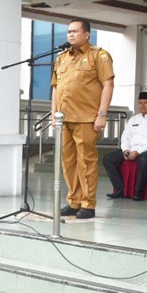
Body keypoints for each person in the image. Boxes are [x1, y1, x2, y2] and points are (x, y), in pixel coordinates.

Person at [51, 18, 115, 219]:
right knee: (68, 161)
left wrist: (102, 115)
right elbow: (55, 87)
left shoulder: (99, 55)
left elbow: (108, 85)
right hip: (65, 119)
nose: (70, 34)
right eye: (68, 31)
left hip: (87, 118)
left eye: (75, 31)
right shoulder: (62, 58)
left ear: (86, 34)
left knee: (86, 161)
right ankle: (74, 200)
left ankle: (88, 203)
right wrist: (54, 114)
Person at [102, 92, 147, 201]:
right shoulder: (134, 119)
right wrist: (125, 149)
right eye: (140, 103)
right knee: (108, 159)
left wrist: (138, 151)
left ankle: (139, 192)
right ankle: (120, 189)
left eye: (146, 103)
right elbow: (125, 137)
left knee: (143, 160)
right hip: (131, 149)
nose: (142, 105)